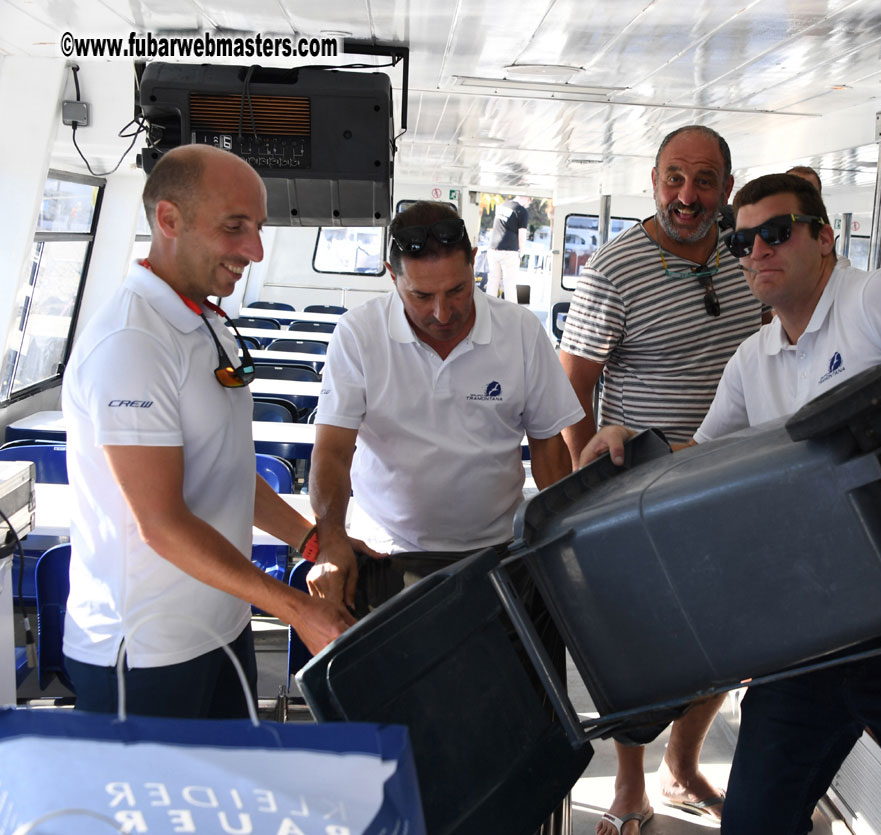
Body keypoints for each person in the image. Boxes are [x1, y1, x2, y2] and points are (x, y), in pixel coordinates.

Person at [581, 173, 881, 834]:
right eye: (741, 241)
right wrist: (632, 440)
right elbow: (705, 456)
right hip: (814, 644)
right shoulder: (752, 358)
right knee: (755, 819)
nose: (757, 251)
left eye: (776, 232)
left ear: (823, 237)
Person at [61, 144, 356, 719]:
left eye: (259, 227)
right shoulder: (134, 342)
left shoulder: (203, 319)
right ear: (168, 220)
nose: (255, 249)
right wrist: (296, 609)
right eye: (235, 227)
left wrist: (314, 543)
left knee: (224, 802)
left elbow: (226, 473)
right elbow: (162, 525)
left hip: (220, 625)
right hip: (147, 651)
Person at [559, 125, 764, 835]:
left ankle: (681, 760)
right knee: (640, 647)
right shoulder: (612, 270)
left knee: (731, 641)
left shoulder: (751, 256)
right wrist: (591, 497)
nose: (687, 195)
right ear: (653, 181)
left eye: (704, 180)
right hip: (639, 487)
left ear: (726, 189)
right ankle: (627, 783)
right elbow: (571, 390)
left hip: (729, 482)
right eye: (674, 177)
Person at [304, 199, 582, 611]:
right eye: (421, 295)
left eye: (457, 290)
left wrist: (569, 533)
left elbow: (548, 448)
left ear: (474, 262)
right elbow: (332, 452)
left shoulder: (521, 331)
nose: (442, 312)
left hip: (500, 551)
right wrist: (331, 540)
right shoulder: (358, 334)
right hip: (388, 552)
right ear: (392, 277)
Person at [485, 194, 532, 302]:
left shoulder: (502, 205)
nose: (529, 203)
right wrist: (521, 252)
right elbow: (522, 233)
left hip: (492, 248)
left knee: (493, 282)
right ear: (525, 197)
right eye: (530, 200)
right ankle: (511, 314)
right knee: (509, 284)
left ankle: (487, 309)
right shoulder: (521, 211)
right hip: (509, 251)